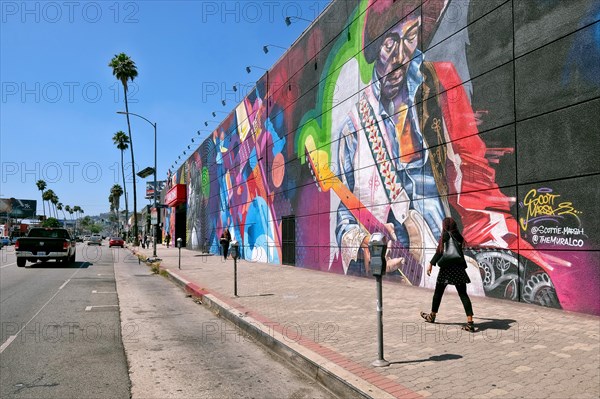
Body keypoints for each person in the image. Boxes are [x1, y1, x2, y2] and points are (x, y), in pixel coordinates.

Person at [334, 0, 518, 287]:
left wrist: (494, 244)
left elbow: (475, 175)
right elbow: (346, 215)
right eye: (389, 43)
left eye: (410, 37)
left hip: (450, 253)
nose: (400, 55)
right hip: (402, 273)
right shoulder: (355, 126)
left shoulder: (437, 85)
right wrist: (365, 248)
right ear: (373, 49)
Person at [421, 217, 474, 332]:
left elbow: (440, 252)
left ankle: (432, 316)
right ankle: (470, 323)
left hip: (446, 269)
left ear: (445, 226)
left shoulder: (445, 236)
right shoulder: (459, 237)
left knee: (438, 293)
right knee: (463, 295)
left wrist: (431, 264)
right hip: (459, 269)